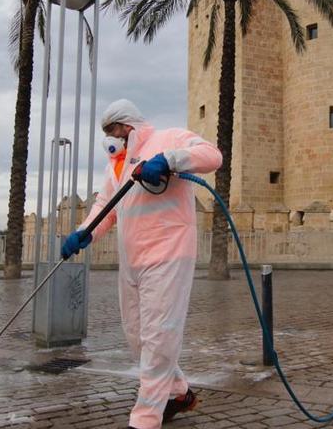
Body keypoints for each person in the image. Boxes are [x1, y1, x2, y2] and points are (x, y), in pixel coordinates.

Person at [61, 99, 222, 429]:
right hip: (133, 259)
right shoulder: (116, 165)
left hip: (169, 252)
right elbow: (106, 204)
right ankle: (178, 393)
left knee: (159, 336)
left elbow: (212, 156)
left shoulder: (169, 138)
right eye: (106, 132)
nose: (111, 136)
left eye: (114, 129)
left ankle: (146, 418)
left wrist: (169, 160)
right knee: (137, 335)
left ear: (128, 125)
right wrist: (84, 233)